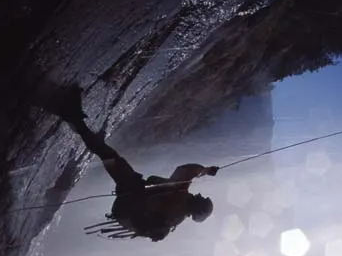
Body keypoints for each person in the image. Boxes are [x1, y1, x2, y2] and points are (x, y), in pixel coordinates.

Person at [49, 84, 218, 241]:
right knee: (109, 157)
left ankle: (74, 118)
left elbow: (187, 170)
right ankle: (83, 130)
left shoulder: (179, 199)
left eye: (200, 198)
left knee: (108, 155)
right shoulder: (177, 212)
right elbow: (160, 182)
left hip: (129, 198)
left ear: (197, 205)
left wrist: (206, 170)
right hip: (127, 206)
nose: (198, 194)